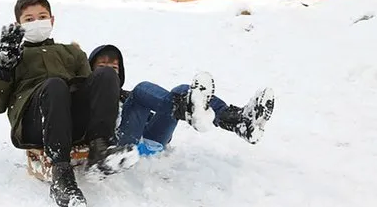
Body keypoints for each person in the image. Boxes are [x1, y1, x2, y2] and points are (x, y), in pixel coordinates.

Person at [0, 0, 138, 207]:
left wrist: (116, 92)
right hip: (35, 124)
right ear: (19, 26)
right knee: (54, 85)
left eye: (42, 17)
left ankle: (100, 149)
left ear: (52, 20)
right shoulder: (15, 58)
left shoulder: (71, 52)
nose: (37, 23)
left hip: (73, 119)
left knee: (106, 74)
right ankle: (61, 173)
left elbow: (92, 88)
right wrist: (4, 68)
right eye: (29, 19)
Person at [88, 44, 275, 156]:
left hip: (151, 143)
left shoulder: (126, 97)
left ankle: (239, 121)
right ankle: (186, 107)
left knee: (181, 91)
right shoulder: (89, 97)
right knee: (141, 90)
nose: (109, 71)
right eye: (102, 66)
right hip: (119, 147)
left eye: (114, 67)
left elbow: (152, 119)